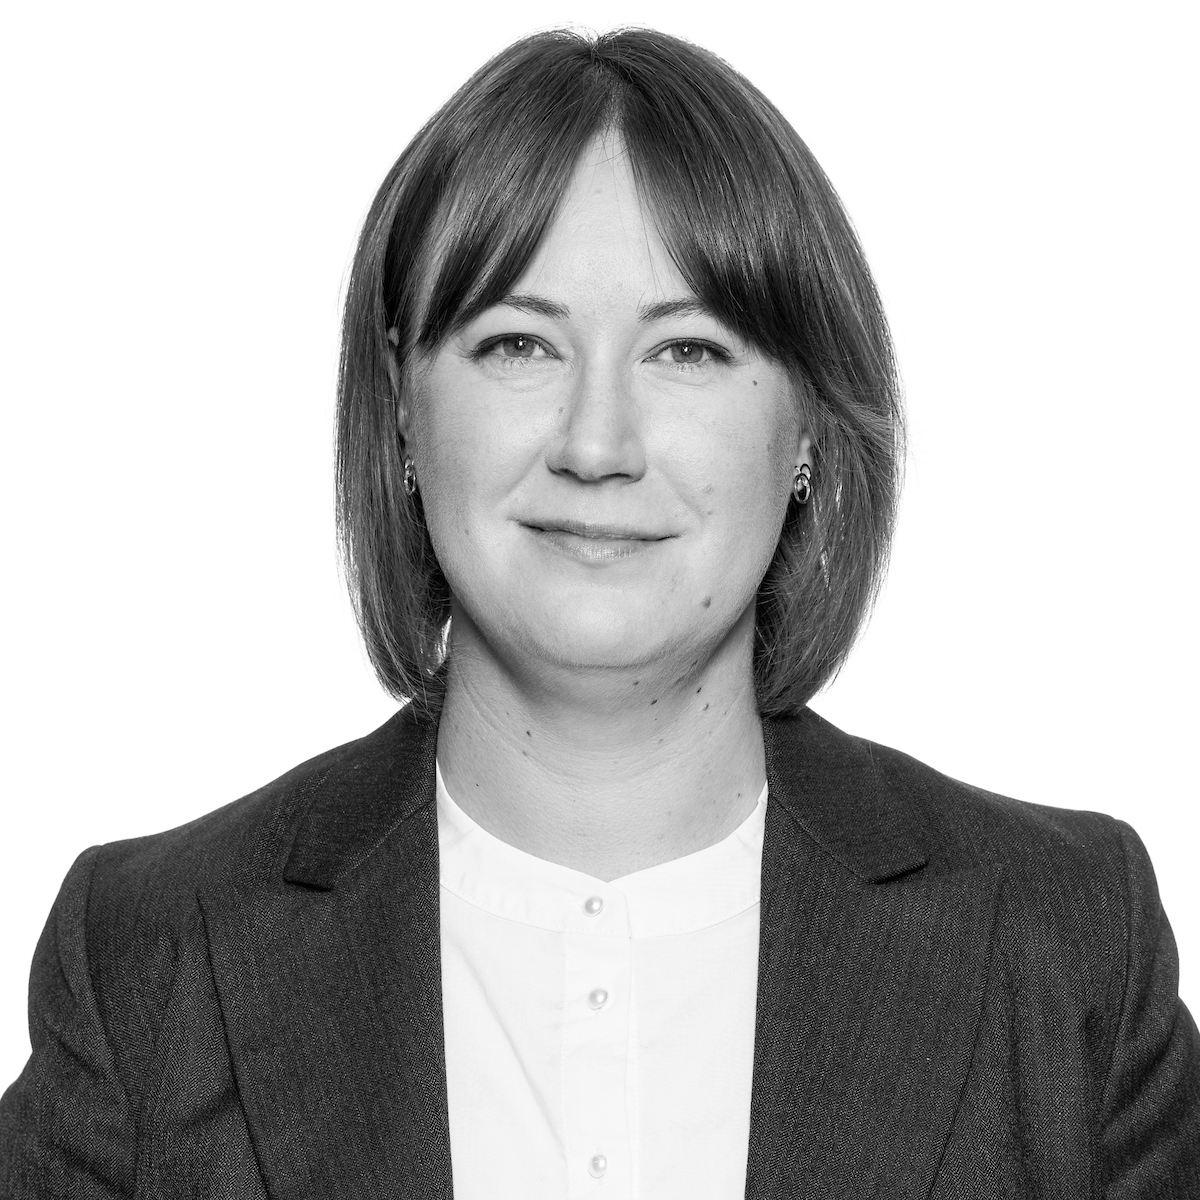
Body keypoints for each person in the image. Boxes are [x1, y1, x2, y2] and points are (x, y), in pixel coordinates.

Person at [1, 25, 1197, 1198]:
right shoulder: (152, 956)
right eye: (519, 343)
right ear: (404, 407)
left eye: (688, 353)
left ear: (808, 427)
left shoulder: (1066, 944)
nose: (597, 444)